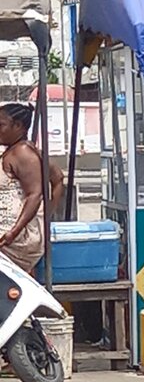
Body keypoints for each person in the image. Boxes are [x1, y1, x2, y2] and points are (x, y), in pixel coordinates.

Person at [0, 102, 63, 274]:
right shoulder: (22, 150)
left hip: (15, 235)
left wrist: (15, 231)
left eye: (1, 125)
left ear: (18, 126)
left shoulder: (23, 153)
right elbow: (57, 177)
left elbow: (35, 194)